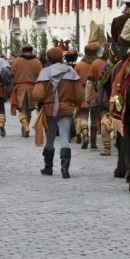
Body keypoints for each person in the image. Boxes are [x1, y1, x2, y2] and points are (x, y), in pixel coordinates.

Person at [32, 47, 84, 179]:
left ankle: (48, 167)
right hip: (66, 108)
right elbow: (79, 95)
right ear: (62, 58)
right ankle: (65, 169)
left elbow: (37, 94)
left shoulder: (45, 72)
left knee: (50, 138)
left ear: (48, 58)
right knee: (65, 137)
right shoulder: (70, 71)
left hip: (50, 110)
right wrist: (76, 104)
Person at [10, 43, 43, 137]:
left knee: (21, 109)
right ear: (31, 50)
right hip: (33, 88)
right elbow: (41, 75)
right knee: (29, 110)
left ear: (23, 51)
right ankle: (25, 127)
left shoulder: (17, 61)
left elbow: (12, 74)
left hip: (20, 88)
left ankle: (25, 125)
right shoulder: (37, 62)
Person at [74, 43, 99, 149]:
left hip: (82, 93)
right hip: (95, 93)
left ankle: (85, 135)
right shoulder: (99, 64)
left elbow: (74, 80)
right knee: (94, 118)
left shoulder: (79, 65)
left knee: (83, 115)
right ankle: (93, 142)